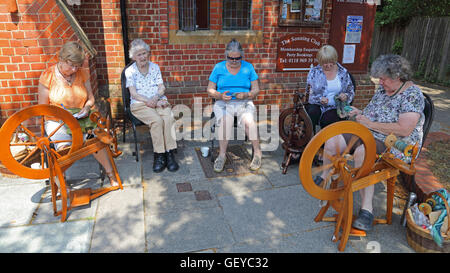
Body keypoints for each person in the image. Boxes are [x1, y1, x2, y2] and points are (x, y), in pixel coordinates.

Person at [320, 54, 425, 232]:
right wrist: (357, 112)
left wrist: (369, 124)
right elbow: (372, 115)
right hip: (368, 132)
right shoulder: (384, 91)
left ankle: (366, 211)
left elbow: (404, 129)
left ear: (397, 76)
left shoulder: (412, 95)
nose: (380, 83)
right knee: (332, 140)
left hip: (395, 143)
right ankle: (325, 180)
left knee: (363, 152)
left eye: (383, 79)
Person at [38, 41, 119, 187]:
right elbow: (42, 108)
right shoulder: (47, 76)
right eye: (71, 65)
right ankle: (63, 185)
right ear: (61, 59)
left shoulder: (82, 73)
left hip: (81, 119)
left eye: (77, 65)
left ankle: (111, 175)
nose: (74, 69)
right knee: (63, 150)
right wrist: (62, 114)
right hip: (57, 122)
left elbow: (91, 98)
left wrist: (87, 108)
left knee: (95, 142)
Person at [207, 39, 262, 173]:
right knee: (226, 121)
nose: (234, 61)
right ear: (226, 56)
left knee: (249, 121)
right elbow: (209, 89)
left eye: (237, 58)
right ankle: (222, 155)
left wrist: (246, 94)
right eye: (230, 58)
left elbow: (256, 90)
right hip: (223, 103)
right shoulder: (219, 67)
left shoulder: (248, 67)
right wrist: (220, 96)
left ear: (241, 56)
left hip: (243, 102)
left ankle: (258, 153)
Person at [125, 38, 179, 173]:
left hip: (158, 100)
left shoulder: (155, 67)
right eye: (139, 54)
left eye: (144, 53)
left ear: (148, 53)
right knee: (157, 121)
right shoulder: (130, 71)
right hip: (140, 104)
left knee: (168, 118)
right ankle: (159, 155)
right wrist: (149, 101)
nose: (143, 57)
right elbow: (134, 93)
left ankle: (169, 153)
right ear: (133, 57)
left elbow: (162, 87)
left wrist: (155, 98)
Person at [305, 45, 355, 132]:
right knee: (311, 113)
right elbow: (309, 94)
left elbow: (350, 91)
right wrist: (320, 99)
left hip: (337, 106)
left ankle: (326, 143)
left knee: (328, 120)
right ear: (320, 61)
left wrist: (346, 96)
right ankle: (310, 139)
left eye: (331, 62)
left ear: (335, 59)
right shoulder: (314, 72)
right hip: (318, 105)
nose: (328, 65)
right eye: (324, 63)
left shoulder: (343, 72)